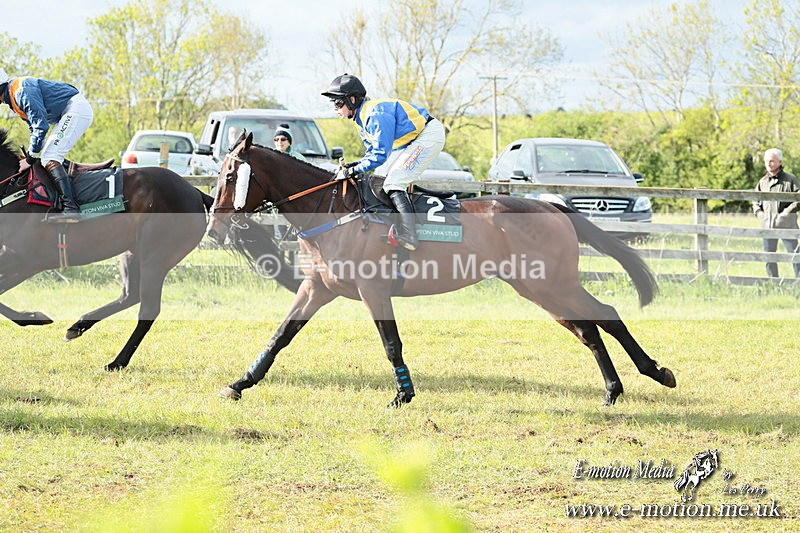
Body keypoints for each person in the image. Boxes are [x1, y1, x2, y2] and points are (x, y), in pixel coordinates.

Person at [322, 73, 446, 251]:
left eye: (338, 103)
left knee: (394, 182)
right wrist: (355, 165)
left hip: (428, 135)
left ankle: (410, 235)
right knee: (378, 179)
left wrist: (353, 171)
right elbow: (371, 153)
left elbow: (380, 155)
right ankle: (388, 224)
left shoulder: (374, 114)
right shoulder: (360, 120)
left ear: (351, 100)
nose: (335, 109)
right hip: (407, 141)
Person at [0, 68, 93, 222]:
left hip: (75, 109)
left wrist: (30, 158)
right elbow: (34, 129)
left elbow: (41, 126)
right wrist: (32, 154)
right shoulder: (14, 98)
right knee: (46, 156)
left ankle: (70, 207)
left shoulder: (20, 91)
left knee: (50, 156)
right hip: (69, 111)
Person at [753, 148, 800, 278]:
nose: (769, 164)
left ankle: (799, 283)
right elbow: (755, 200)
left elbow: (798, 198)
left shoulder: (790, 179)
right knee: (769, 256)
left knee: (796, 255)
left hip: (787, 225)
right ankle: (773, 283)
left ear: (780, 162)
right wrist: (759, 213)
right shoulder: (762, 182)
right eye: (767, 161)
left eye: (772, 161)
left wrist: (785, 213)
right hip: (767, 225)